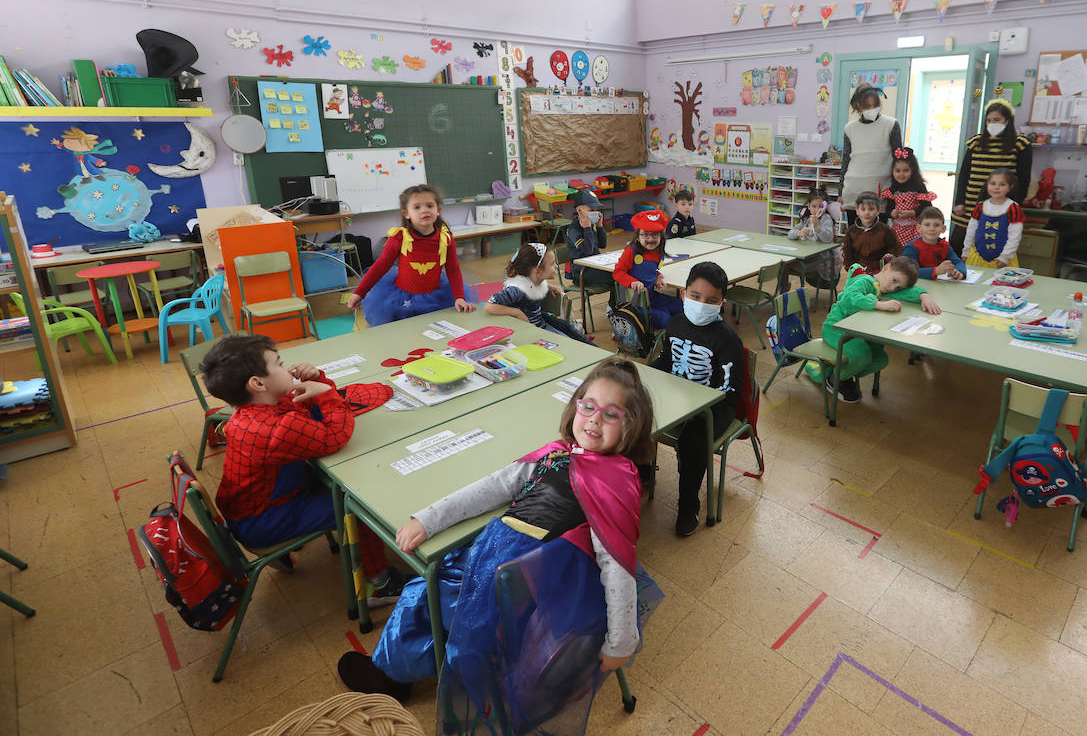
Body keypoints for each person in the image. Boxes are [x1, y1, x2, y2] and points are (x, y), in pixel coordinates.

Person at [336, 359, 654, 710]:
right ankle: (400, 670)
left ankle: (396, 675)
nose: (594, 419)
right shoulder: (553, 454)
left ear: (631, 426)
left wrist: (620, 642)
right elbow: (491, 487)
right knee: (428, 593)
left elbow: (618, 562)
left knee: (428, 599)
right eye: (588, 406)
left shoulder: (617, 481)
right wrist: (428, 519)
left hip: (524, 578)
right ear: (575, 406)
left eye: (611, 414)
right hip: (495, 555)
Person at [201, 334, 404, 602]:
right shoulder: (276, 429)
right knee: (356, 506)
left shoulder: (256, 408)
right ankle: (379, 583)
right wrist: (328, 394)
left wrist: (317, 379)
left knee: (335, 482)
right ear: (258, 383)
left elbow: (305, 404)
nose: (287, 368)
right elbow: (336, 437)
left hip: (251, 507)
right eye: (279, 363)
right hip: (263, 520)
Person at [649, 261, 745, 537]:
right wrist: (642, 375)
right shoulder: (676, 324)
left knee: (693, 439)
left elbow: (730, 388)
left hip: (714, 408)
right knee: (638, 411)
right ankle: (644, 470)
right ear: (683, 294)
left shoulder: (727, 339)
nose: (702, 304)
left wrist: (699, 408)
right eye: (695, 296)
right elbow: (667, 360)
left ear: (721, 303)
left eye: (711, 300)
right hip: (679, 396)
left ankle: (688, 505)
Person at [806, 257, 940, 403]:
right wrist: (878, 304)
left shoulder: (882, 286)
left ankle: (845, 373)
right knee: (862, 355)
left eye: (898, 287)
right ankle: (834, 379)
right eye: (894, 281)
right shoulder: (864, 281)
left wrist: (923, 296)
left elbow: (905, 292)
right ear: (886, 268)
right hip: (836, 328)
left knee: (880, 359)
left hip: (856, 331)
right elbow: (850, 298)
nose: (893, 288)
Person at [347, 184, 476, 326]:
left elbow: (453, 270)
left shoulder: (445, 239)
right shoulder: (400, 238)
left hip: (436, 295)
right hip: (400, 297)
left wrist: (459, 297)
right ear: (406, 214)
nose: (424, 210)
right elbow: (380, 266)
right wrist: (360, 292)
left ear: (438, 210)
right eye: (417, 207)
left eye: (429, 205)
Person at [950, 99, 1033, 254]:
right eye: (989, 120)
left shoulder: (1020, 144)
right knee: (957, 244)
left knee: (991, 245)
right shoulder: (975, 143)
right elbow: (964, 176)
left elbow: (1023, 179)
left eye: (997, 120)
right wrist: (959, 201)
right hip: (971, 204)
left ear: (1007, 120)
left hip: (1001, 206)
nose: (992, 123)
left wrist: (1015, 205)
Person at [486, 242, 590, 342]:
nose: (556, 266)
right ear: (537, 271)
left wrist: (548, 286)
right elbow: (489, 306)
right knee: (569, 344)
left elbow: (532, 285)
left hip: (540, 326)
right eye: (552, 264)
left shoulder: (531, 279)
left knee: (571, 340)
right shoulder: (517, 290)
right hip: (530, 334)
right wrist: (516, 313)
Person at [839, 85, 903, 223]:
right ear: (858, 106)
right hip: (853, 189)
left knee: (879, 236)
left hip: (880, 190)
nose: (872, 109)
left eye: (875, 105)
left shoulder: (891, 124)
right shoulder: (850, 128)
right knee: (855, 235)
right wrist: (840, 191)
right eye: (867, 106)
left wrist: (896, 191)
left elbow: (899, 160)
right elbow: (846, 161)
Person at [611, 209, 683, 329]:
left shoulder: (658, 251)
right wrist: (632, 281)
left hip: (650, 297)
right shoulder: (631, 250)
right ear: (638, 236)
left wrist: (658, 276)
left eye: (655, 234)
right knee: (665, 318)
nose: (650, 239)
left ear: (661, 235)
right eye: (645, 234)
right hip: (633, 302)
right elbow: (618, 273)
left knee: (681, 306)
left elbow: (650, 269)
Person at [962, 168, 1026, 269]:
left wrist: (1005, 257)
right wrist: (966, 252)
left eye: (1002, 184)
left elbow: (1015, 236)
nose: (996, 187)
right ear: (987, 184)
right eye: (993, 183)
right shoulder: (980, 206)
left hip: (1002, 260)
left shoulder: (1013, 208)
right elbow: (971, 231)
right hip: (977, 256)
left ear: (1010, 187)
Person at [880, 146, 936, 248]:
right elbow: (889, 208)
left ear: (912, 170)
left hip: (916, 229)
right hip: (898, 229)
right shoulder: (892, 189)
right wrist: (892, 213)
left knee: (914, 251)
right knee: (899, 251)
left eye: (905, 170)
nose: (901, 174)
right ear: (892, 171)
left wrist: (913, 212)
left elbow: (927, 206)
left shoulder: (918, 186)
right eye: (898, 171)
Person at [787, 188, 839, 290]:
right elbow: (790, 233)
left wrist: (817, 227)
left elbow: (828, 239)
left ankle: (798, 293)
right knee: (784, 264)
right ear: (809, 206)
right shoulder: (806, 219)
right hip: (806, 255)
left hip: (821, 260)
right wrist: (798, 233)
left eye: (820, 206)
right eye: (814, 206)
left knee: (786, 266)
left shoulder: (826, 219)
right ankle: (783, 291)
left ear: (825, 206)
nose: (817, 209)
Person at [565, 188, 613, 292]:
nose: (595, 213)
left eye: (596, 210)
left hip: (594, 265)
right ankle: (615, 305)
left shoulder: (590, 225)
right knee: (616, 276)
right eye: (592, 210)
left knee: (621, 272)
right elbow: (587, 251)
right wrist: (587, 229)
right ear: (579, 211)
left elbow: (602, 244)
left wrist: (600, 226)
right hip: (581, 272)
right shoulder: (574, 228)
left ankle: (616, 305)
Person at [842, 190, 900, 275]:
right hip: (858, 271)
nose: (867, 213)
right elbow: (848, 253)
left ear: (878, 211)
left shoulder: (885, 230)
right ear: (857, 211)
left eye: (871, 209)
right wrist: (852, 269)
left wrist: (890, 258)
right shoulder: (851, 231)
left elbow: (895, 248)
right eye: (863, 209)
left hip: (880, 271)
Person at [902, 207, 967, 280]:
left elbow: (958, 262)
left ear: (943, 229)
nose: (932, 229)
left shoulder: (945, 246)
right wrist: (935, 271)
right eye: (927, 225)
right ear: (919, 228)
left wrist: (959, 272)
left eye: (936, 225)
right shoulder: (911, 248)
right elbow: (907, 271)